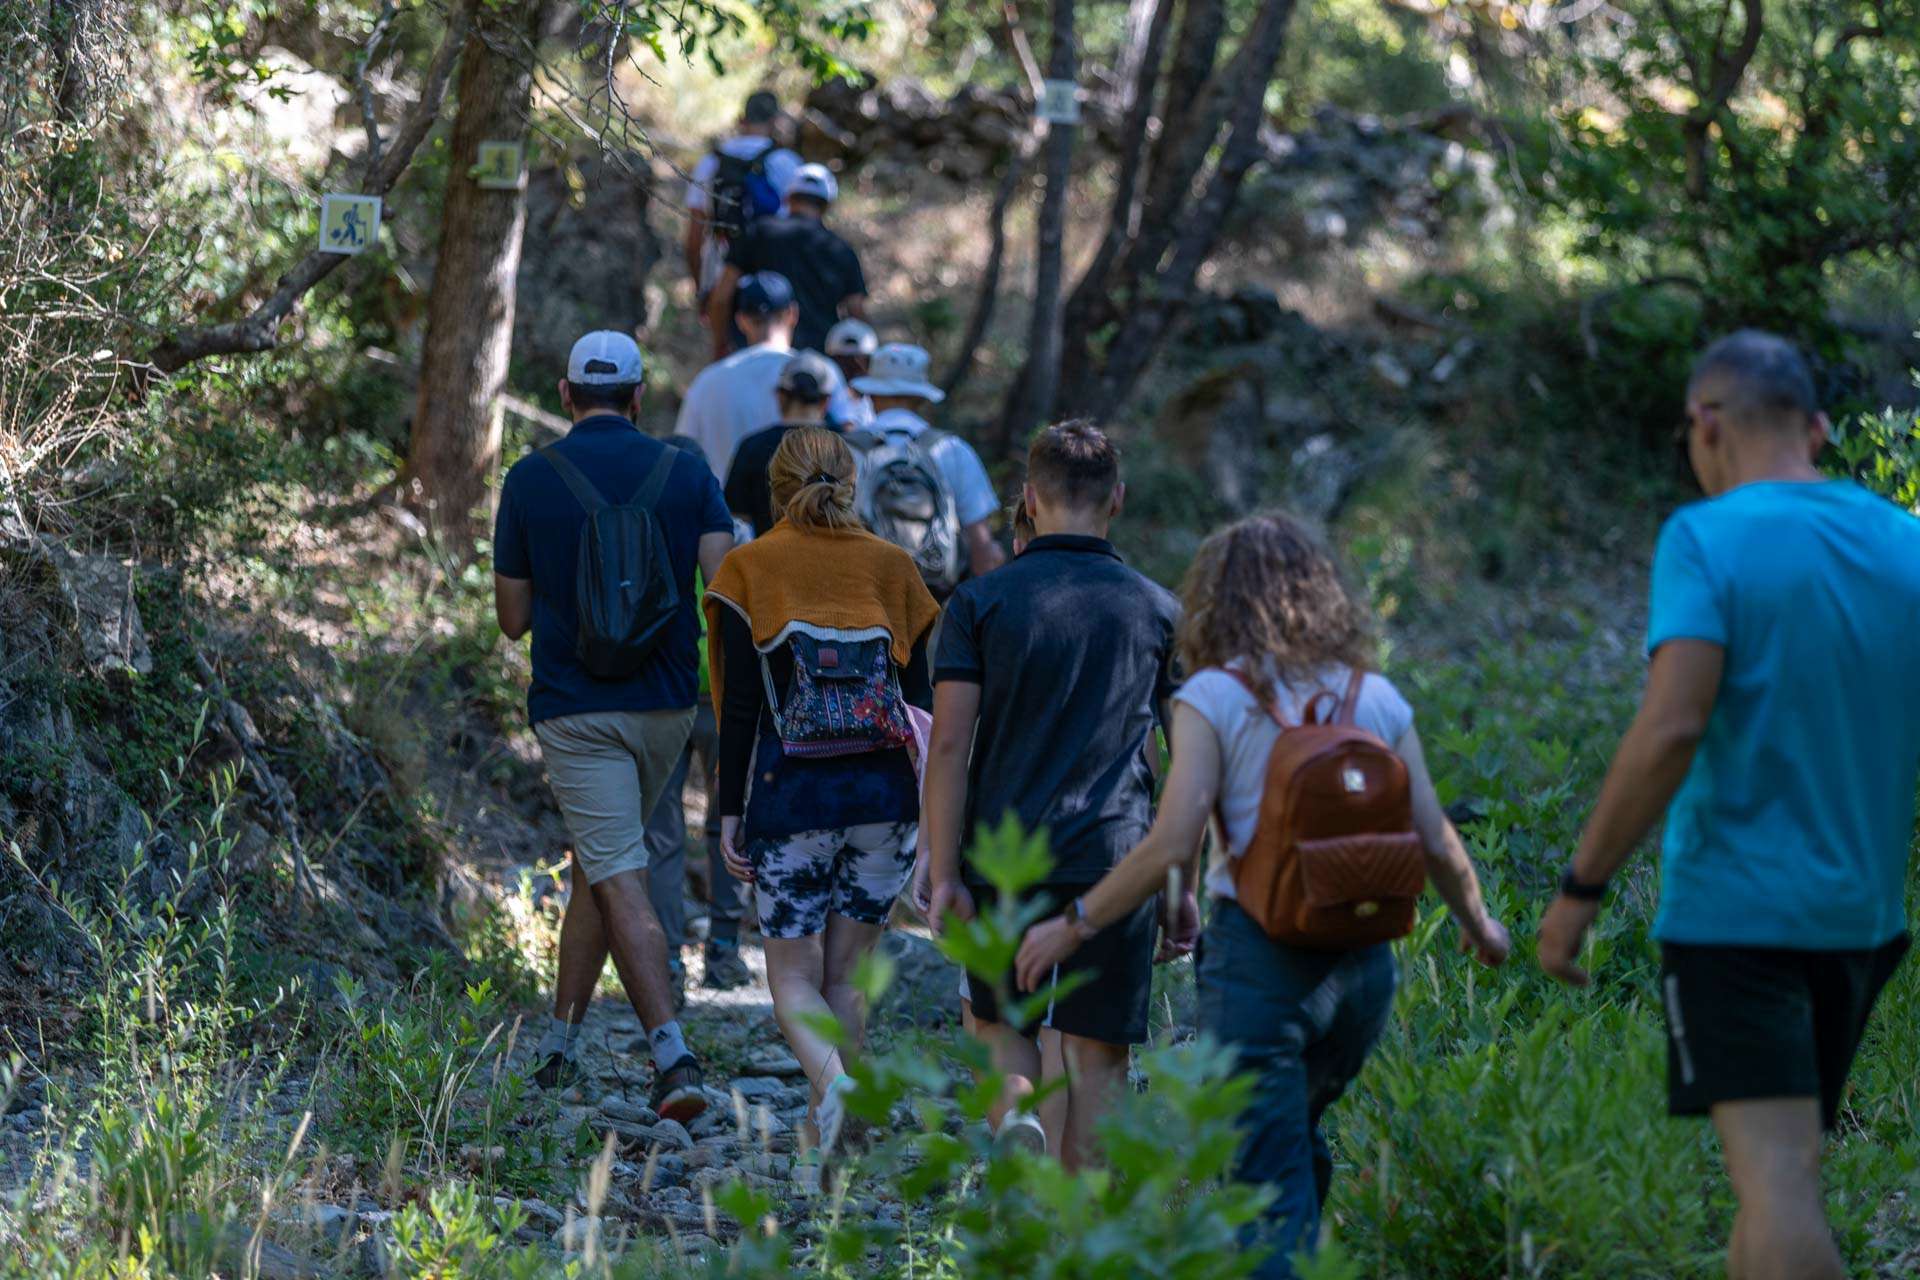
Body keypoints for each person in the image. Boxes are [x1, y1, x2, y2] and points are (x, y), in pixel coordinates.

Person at [1014, 511, 1510, 1276]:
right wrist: (1480, 925)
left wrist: (1074, 924)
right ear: (1324, 594)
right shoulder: (1371, 695)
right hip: (1363, 975)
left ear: (1219, 598)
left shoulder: (1214, 696)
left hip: (1263, 969)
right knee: (1291, 1140)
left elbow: (1172, 840)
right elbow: (1436, 835)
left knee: (1264, 1189)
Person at [1538, 331, 1920, 1280]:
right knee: (1775, 1184)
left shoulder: (1704, 537)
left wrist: (1581, 887)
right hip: (1862, 922)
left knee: (1781, 1194)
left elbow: (1671, 728)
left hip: (1739, 919)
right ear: (1821, 430)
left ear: (1706, 423)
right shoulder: (1904, 542)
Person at [493, 331, 734, 1122]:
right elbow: (723, 592)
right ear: (638, 398)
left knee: (613, 868)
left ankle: (673, 1056)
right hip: (668, 705)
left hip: (577, 708)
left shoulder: (530, 480)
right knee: (604, 859)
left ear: (566, 395)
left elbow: (511, 618)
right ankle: (559, 1046)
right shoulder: (689, 474)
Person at [923, 421, 1177, 1169]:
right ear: (1118, 500)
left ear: (1028, 501)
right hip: (1116, 856)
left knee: (1004, 1027)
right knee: (1100, 1061)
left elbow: (948, 746)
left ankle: (1020, 1140)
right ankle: (1086, 1234)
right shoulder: (1158, 611)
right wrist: (1181, 881)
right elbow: (1175, 758)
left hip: (1005, 854)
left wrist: (943, 873)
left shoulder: (979, 603)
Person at [705, 426, 941, 1158]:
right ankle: (828, 1138)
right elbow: (921, 703)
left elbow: (738, 708)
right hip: (887, 799)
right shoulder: (894, 567)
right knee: (847, 976)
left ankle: (838, 1093)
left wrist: (729, 813)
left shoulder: (749, 569)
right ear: (853, 482)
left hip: (793, 797)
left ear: (776, 488)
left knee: (791, 982)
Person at [640, 439, 752, 1000]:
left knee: (661, 834)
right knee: (727, 822)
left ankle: (668, 964)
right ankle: (726, 951)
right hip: (726, 699)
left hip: (663, 696)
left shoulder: (642, 530)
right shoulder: (730, 535)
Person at [676, 272, 855, 480]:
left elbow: (683, 452)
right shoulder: (820, 373)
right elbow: (847, 441)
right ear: (792, 314)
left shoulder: (708, 381)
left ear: (741, 320)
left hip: (726, 509)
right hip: (805, 508)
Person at [850, 343, 1005, 582]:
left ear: (871, 393)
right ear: (922, 397)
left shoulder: (845, 450)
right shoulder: (952, 450)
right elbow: (981, 545)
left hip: (859, 594)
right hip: (931, 598)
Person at [708, 163, 867, 361]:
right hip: (817, 366)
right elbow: (856, 313)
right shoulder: (841, 250)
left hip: (758, 357)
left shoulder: (758, 232)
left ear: (788, 198)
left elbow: (721, 297)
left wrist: (721, 344)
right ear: (827, 205)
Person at [683, 90, 800, 309]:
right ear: (775, 121)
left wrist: (701, 289)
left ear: (741, 119)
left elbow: (693, 239)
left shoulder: (710, 162)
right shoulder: (788, 163)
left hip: (721, 276)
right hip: (774, 279)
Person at [724, 350, 841, 537]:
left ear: (780, 396)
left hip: (769, 560)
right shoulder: (847, 445)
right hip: (836, 560)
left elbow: (738, 520)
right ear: (826, 401)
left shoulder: (752, 447)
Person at [824, 319, 878, 429]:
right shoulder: (821, 401)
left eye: (860, 359)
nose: (855, 366)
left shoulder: (879, 399)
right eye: (845, 360)